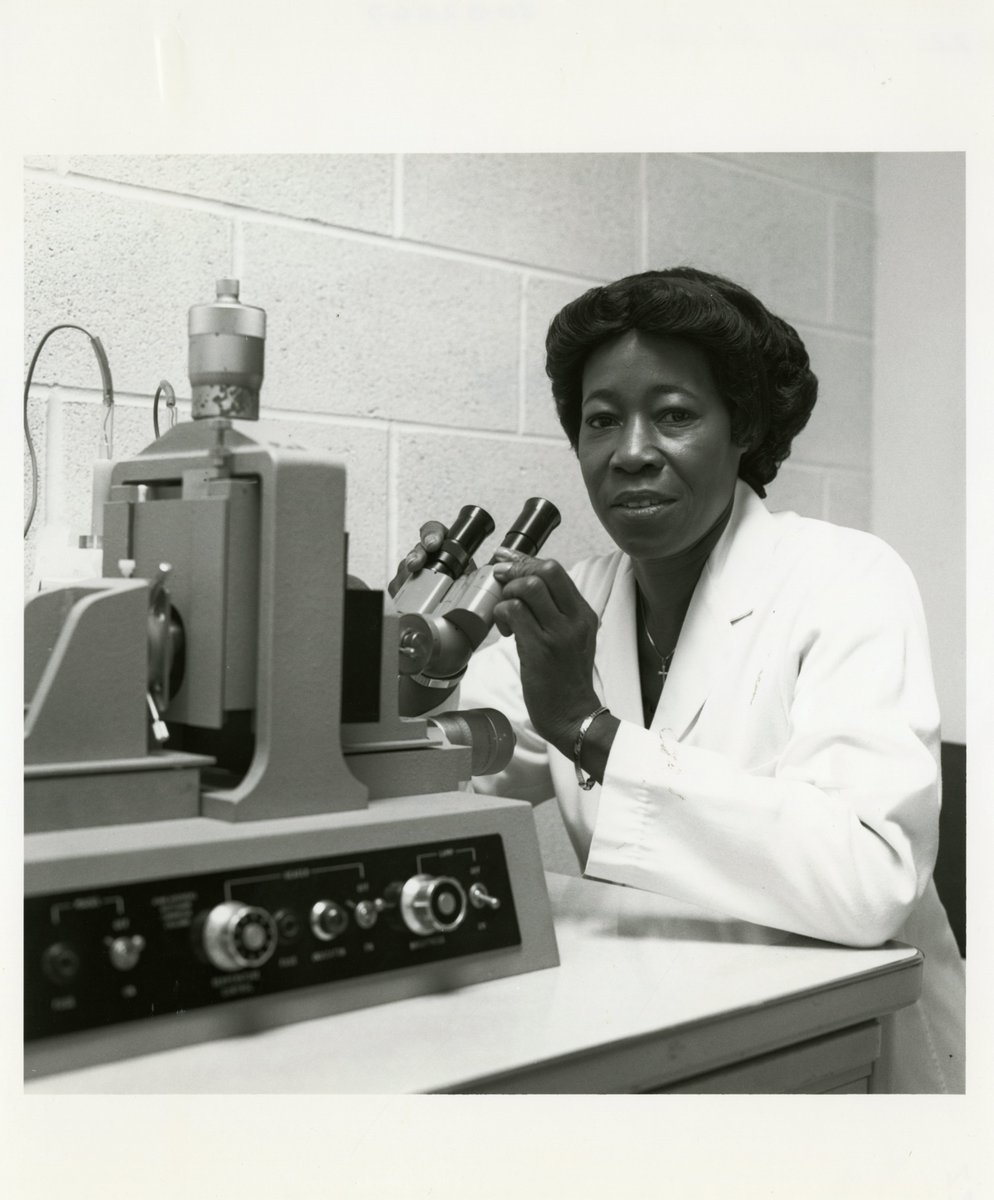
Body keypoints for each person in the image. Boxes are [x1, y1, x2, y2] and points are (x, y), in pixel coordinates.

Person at [399, 267, 964, 1093]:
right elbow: (459, 766)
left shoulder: (846, 578)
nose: (630, 453)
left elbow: (868, 880)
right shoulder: (581, 597)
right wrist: (400, 683)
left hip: (849, 1046)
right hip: (660, 1027)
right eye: (601, 421)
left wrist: (590, 730)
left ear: (742, 430)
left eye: (673, 415)